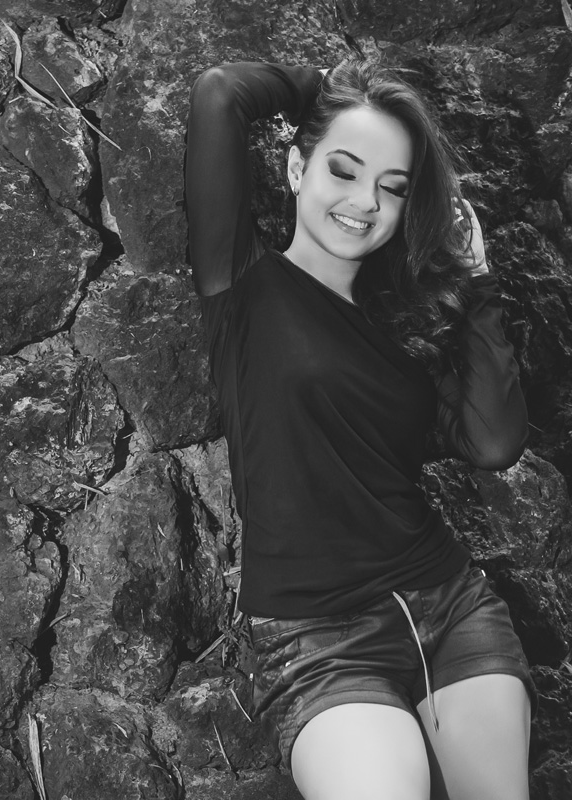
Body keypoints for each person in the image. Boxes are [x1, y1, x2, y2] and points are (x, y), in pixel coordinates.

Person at [184, 60, 535, 800]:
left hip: (449, 605)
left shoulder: (403, 324)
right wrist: (333, 90)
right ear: (294, 166)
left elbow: (494, 444)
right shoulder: (241, 284)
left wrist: (477, 286)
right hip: (318, 640)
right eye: (344, 170)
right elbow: (222, 94)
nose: (365, 200)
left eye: (393, 187)